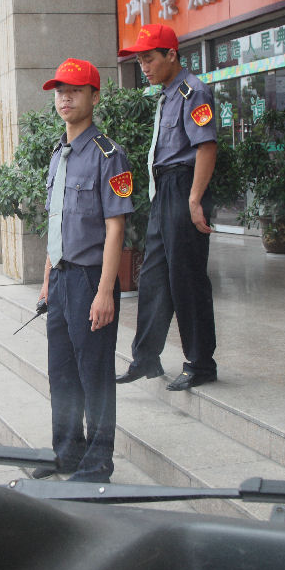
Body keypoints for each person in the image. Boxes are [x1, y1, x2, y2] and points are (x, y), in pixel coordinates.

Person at [32, 58, 133, 484]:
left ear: (94, 95)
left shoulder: (110, 156)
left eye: (74, 90)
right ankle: (67, 452)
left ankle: (98, 460)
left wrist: (106, 291)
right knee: (62, 372)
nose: (65, 98)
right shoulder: (58, 154)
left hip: (92, 280)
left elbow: (116, 229)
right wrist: (45, 281)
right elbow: (55, 223)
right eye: (59, 91)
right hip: (60, 280)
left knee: (94, 375)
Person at [114, 23, 218, 392]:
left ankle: (201, 362)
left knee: (186, 278)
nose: (144, 66)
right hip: (164, 191)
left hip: (184, 187)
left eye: (149, 58)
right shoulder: (168, 94)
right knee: (154, 276)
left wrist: (194, 199)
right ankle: (146, 358)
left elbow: (206, 147)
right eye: (140, 59)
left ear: (171, 55)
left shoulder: (194, 92)